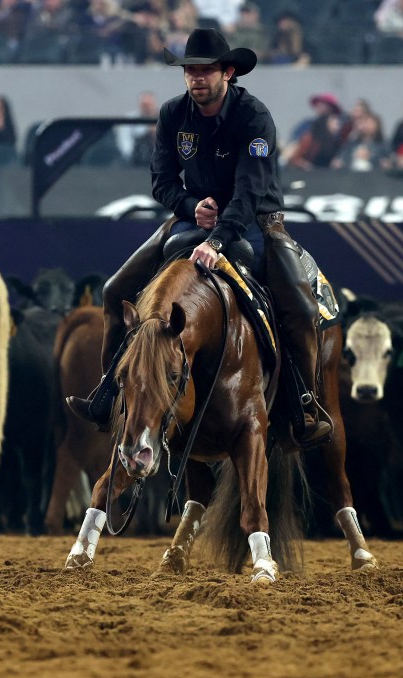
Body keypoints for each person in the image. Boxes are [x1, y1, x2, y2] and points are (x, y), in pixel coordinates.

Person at [66, 28, 333, 448]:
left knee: (299, 307)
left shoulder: (254, 117)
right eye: (190, 70)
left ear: (228, 72)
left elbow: (251, 190)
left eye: (206, 70)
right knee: (115, 288)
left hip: (257, 221)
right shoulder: (173, 115)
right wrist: (191, 207)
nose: (197, 79)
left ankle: (304, 403)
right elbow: (162, 181)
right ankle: (109, 393)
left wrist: (219, 238)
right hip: (194, 219)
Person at [115, 90, 159, 165]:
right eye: (144, 105)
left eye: (149, 105)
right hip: (136, 160)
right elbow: (124, 142)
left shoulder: (165, 118)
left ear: (155, 104)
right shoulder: (129, 119)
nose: (147, 108)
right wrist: (132, 157)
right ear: (140, 104)